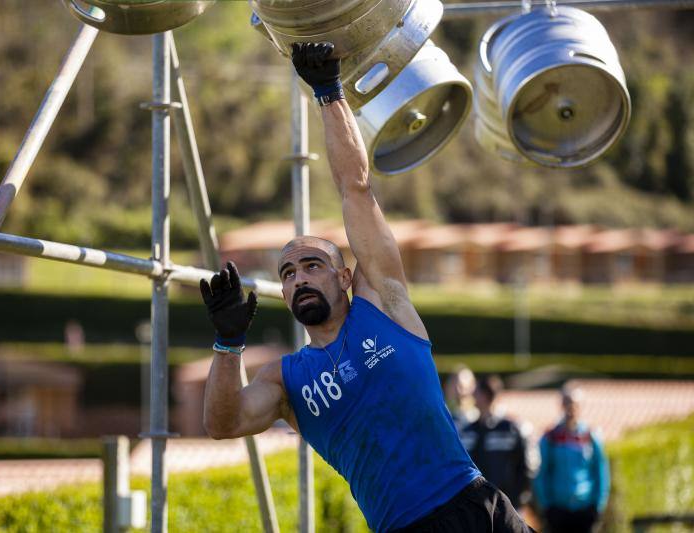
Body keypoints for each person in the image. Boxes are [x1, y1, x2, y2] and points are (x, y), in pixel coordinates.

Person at [199, 42, 533, 533]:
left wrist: (329, 92)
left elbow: (356, 188)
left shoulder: (384, 303)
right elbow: (222, 424)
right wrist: (228, 345)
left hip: (477, 506)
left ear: (346, 277)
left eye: (312, 264)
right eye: (288, 273)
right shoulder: (284, 381)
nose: (299, 278)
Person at [534, 386, 610, 533]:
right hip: (558, 510)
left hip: (585, 508)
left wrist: (598, 505)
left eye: (574, 403)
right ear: (561, 405)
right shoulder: (550, 438)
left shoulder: (591, 436)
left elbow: (601, 471)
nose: (570, 408)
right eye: (567, 402)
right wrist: (546, 505)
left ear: (580, 406)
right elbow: (542, 472)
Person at [459, 375, 532, 510]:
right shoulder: (467, 431)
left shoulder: (510, 429)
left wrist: (518, 499)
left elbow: (525, 466)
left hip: (506, 504)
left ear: (485, 395)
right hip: (476, 505)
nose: (472, 396)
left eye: (476, 392)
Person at [444, 364, 479, 429]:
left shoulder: (479, 414)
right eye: (456, 385)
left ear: (474, 386)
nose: (460, 391)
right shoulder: (446, 413)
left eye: (462, 387)